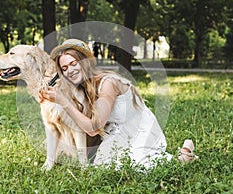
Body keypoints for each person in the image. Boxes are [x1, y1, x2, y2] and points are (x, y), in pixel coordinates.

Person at [39, 39, 198, 170]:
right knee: (104, 166)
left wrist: (64, 102)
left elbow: (93, 128)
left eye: (74, 63)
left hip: (138, 128)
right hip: (115, 133)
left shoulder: (108, 83)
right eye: (64, 68)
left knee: (141, 166)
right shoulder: (83, 90)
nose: (70, 71)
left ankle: (184, 154)